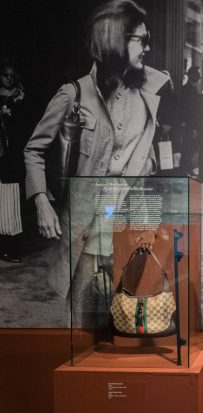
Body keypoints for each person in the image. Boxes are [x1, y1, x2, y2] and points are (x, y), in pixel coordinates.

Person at [23, 0, 170, 311]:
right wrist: (41, 201)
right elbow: (34, 150)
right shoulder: (74, 94)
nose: (147, 47)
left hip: (127, 225)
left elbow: (145, 161)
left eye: (148, 39)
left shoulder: (147, 96)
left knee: (127, 313)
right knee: (83, 318)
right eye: (141, 39)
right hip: (84, 226)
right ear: (115, 39)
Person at [0, 62, 26, 263]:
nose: (8, 78)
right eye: (5, 75)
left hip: (11, 158)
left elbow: (23, 130)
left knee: (11, 202)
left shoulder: (20, 98)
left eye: (12, 75)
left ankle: (11, 247)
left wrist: (11, 116)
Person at [179, 65, 202, 176]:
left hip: (191, 125)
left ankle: (188, 169)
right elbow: (187, 111)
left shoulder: (191, 90)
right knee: (187, 149)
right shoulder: (188, 90)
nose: (199, 77)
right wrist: (193, 128)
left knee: (190, 149)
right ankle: (185, 170)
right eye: (198, 75)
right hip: (188, 126)